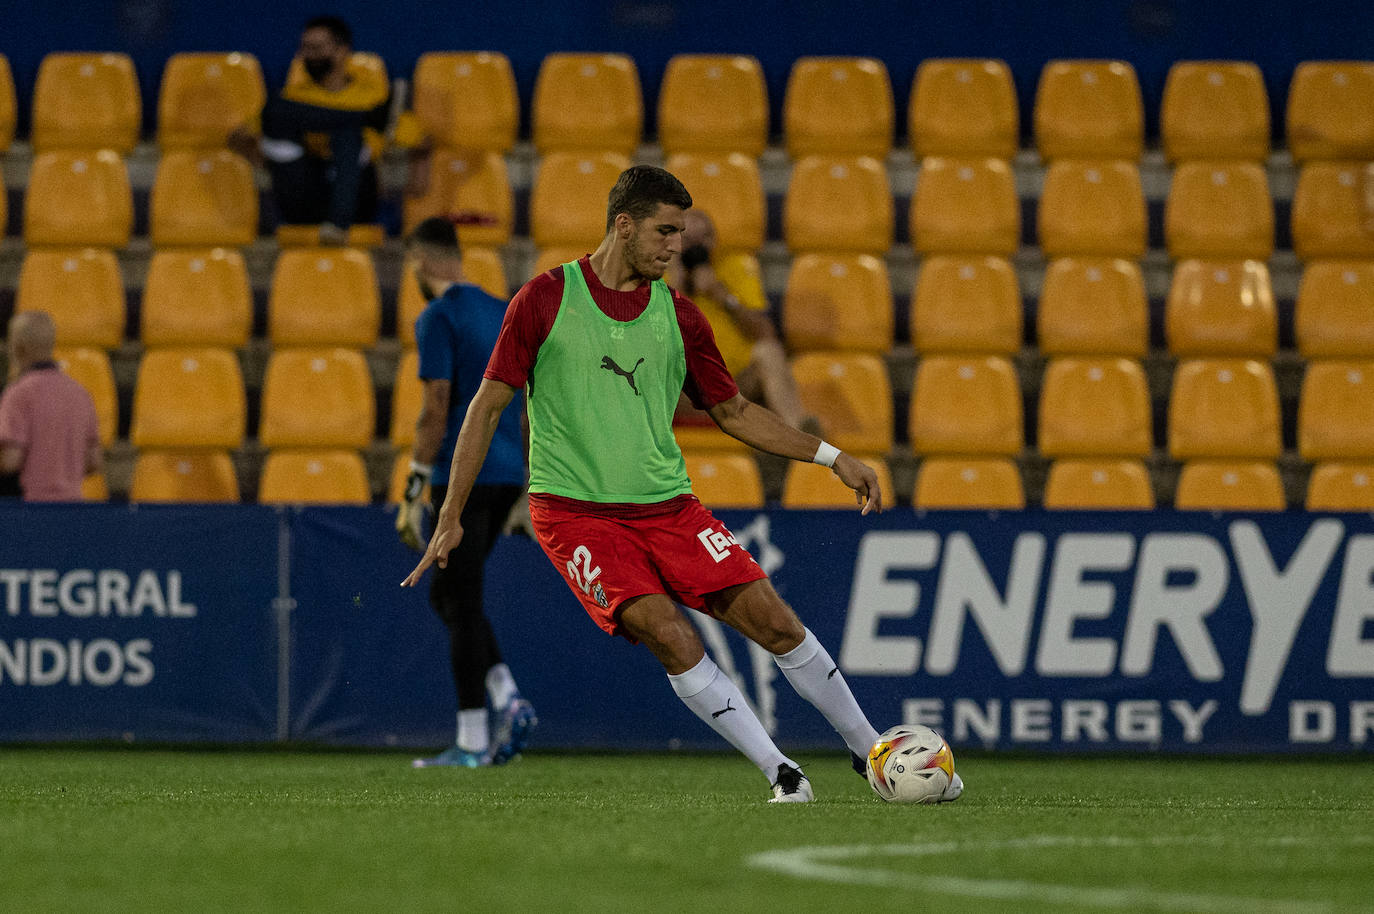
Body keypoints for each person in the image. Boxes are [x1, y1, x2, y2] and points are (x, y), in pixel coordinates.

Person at [403, 165, 962, 804]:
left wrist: (831, 456)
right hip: (576, 515)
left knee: (777, 624)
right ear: (624, 225)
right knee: (670, 633)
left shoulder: (681, 316)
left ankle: (871, 753)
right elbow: (485, 405)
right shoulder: (545, 300)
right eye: (665, 231)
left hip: (669, 507)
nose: (676, 245)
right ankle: (782, 772)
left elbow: (735, 413)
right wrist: (451, 512)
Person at [397, 217, 536, 768]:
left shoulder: (438, 316)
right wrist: (526, 485)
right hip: (504, 474)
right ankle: (507, 697)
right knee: (452, 597)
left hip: (462, 473)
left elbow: (436, 407)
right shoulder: (503, 310)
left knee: (458, 598)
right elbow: (527, 402)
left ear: (423, 260)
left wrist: (412, 484)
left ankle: (475, 739)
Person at [230, 15, 419, 244]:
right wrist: (255, 155)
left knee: (347, 136)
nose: (310, 56)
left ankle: (337, 225)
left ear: (342, 51)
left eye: (317, 48)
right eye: (305, 48)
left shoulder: (370, 95)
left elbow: (421, 139)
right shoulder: (293, 97)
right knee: (276, 111)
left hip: (355, 197)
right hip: (302, 194)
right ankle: (360, 119)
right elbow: (239, 135)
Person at [667, 208, 816, 434]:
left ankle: (800, 435)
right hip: (678, 392)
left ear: (715, 241)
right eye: (687, 239)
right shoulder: (653, 274)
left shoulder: (734, 268)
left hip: (731, 388)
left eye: (704, 238)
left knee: (769, 352)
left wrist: (722, 296)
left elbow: (765, 333)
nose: (696, 248)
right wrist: (677, 290)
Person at [0, 311, 102, 502]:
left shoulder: (18, 394)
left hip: (32, 510)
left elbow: (10, 460)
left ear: (18, 348)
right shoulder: (80, 394)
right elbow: (93, 461)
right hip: (73, 508)